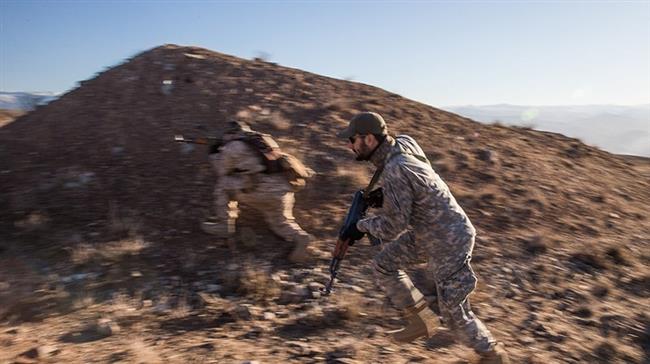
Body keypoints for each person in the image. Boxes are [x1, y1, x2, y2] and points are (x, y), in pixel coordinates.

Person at [337, 112, 509, 363]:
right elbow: (417, 178)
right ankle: (420, 320)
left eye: (353, 140)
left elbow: (392, 227)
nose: (349, 145)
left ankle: (493, 354)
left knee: (453, 314)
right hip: (427, 233)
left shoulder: (395, 170)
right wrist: (385, 196)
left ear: (370, 139)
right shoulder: (404, 144)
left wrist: (361, 226)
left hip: (449, 239)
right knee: (383, 265)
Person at [201, 121, 314, 263]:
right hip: (283, 190)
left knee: (223, 185)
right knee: (281, 222)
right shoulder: (265, 141)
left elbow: (221, 170)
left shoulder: (234, 146)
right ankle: (301, 237)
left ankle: (225, 225)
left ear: (232, 133)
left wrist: (214, 152)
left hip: (259, 189)